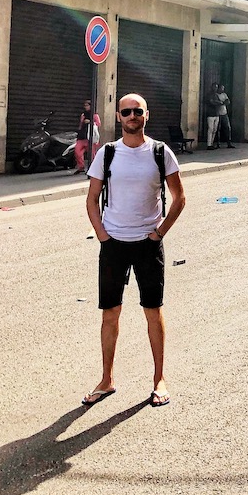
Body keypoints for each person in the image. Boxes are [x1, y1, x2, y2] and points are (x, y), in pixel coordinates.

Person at [83, 93, 187, 408]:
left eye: (137, 111)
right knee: (110, 312)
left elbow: (180, 197)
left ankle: (159, 380)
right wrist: (102, 234)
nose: (131, 116)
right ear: (118, 117)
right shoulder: (108, 154)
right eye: (126, 111)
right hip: (113, 244)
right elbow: (91, 198)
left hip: (148, 244)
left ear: (146, 115)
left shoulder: (160, 152)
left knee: (152, 311)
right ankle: (107, 379)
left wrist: (158, 233)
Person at [74, 99, 100, 174]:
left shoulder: (95, 115)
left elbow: (98, 124)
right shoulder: (83, 114)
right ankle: (81, 166)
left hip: (90, 136)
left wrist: (90, 122)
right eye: (85, 105)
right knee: (77, 151)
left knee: (92, 154)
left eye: (87, 105)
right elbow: (81, 125)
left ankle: (93, 168)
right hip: (82, 136)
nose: (86, 107)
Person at [215, 83, 234, 148]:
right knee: (218, 129)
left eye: (223, 88)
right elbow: (216, 103)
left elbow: (228, 101)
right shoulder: (215, 95)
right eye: (221, 88)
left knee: (228, 128)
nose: (222, 90)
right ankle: (218, 143)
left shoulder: (224, 94)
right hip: (218, 114)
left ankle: (229, 142)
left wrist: (221, 102)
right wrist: (222, 102)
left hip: (224, 113)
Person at [204, 84, 223, 149]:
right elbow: (211, 102)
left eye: (216, 87)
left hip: (216, 114)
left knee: (215, 130)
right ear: (211, 87)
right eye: (214, 87)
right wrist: (218, 102)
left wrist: (217, 102)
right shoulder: (209, 95)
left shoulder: (216, 95)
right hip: (210, 114)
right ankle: (209, 144)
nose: (215, 88)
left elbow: (220, 102)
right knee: (210, 129)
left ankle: (211, 144)